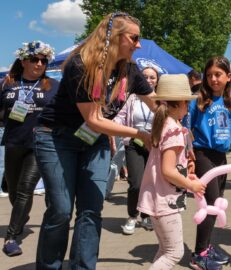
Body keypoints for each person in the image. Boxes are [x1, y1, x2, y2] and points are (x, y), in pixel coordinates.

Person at [33, 12, 155, 269]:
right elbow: (95, 120)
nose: (139, 44)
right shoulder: (81, 63)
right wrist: (140, 134)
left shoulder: (130, 69)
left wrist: (175, 122)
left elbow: (156, 102)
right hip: (56, 138)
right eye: (134, 38)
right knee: (61, 209)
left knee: (91, 209)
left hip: (94, 142)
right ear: (114, 37)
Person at [137, 74, 205, 269]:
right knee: (175, 253)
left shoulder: (164, 124)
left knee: (165, 250)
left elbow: (168, 167)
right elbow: (168, 170)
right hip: (164, 200)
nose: (188, 107)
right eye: (187, 102)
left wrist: (184, 175)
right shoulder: (174, 131)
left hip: (157, 197)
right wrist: (191, 184)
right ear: (182, 103)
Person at [0, 41, 58, 256]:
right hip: (14, 143)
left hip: (40, 144)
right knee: (15, 192)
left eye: (44, 60)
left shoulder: (53, 85)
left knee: (25, 189)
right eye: (35, 59)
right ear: (24, 61)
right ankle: (21, 217)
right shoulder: (7, 83)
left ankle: (11, 238)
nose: (40, 64)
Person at [189, 56, 231, 269]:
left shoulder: (230, 102)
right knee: (210, 205)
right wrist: (190, 156)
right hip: (203, 155)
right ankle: (198, 255)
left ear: (228, 77)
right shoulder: (198, 100)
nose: (213, 79)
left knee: (217, 204)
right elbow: (187, 129)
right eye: (209, 75)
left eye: (218, 74)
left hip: (221, 157)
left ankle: (207, 247)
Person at [115, 66, 160, 234]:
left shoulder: (161, 99)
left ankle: (147, 215)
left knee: (151, 183)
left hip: (155, 144)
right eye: (145, 77)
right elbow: (120, 116)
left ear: (157, 81)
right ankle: (133, 216)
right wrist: (114, 125)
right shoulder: (131, 98)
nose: (148, 80)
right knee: (136, 183)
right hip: (134, 142)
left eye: (152, 77)